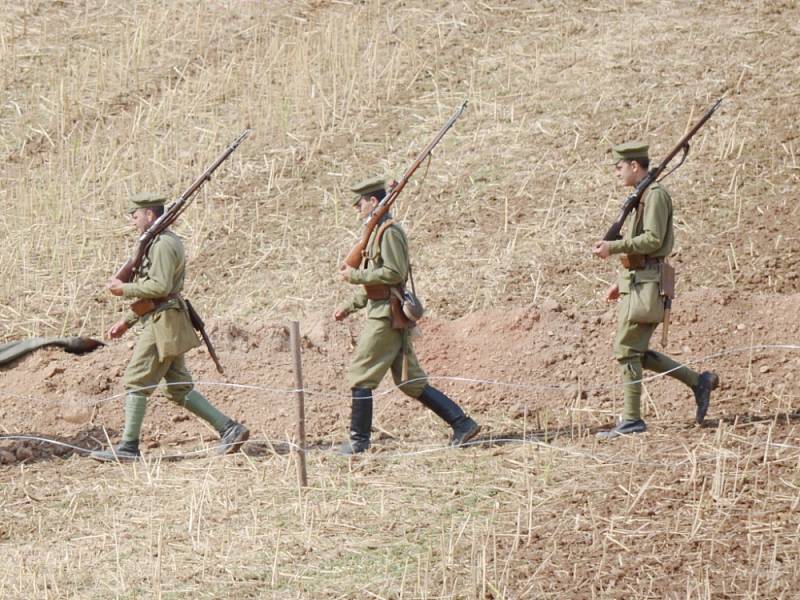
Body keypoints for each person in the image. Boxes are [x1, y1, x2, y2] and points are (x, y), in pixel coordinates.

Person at [90, 192, 249, 462]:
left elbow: (160, 288)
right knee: (178, 388)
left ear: (150, 214)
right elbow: (159, 292)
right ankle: (229, 429)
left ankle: (128, 448)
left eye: (136, 214)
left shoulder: (162, 244)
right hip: (165, 318)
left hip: (163, 322)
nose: (133, 219)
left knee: (136, 380)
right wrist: (127, 322)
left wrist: (122, 289)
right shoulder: (157, 241)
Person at [334, 177, 480, 454]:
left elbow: (393, 274)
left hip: (385, 318)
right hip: (384, 311)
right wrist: (351, 305)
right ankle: (462, 423)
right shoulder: (377, 232)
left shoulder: (389, 232)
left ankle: (358, 442)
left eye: (359, 203)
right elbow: (378, 285)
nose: (356, 208)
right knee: (409, 381)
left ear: (373, 202)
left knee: (360, 375)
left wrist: (354, 276)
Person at [591, 142, 719, 439]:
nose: (616, 173)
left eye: (619, 167)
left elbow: (651, 241)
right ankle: (698, 381)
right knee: (633, 350)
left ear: (635, 166)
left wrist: (613, 247)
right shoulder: (643, 196)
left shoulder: (656, 196)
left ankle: (633, 420)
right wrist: (620, 282)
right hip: (637, 281)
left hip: (648, 282)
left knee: (626, 349)